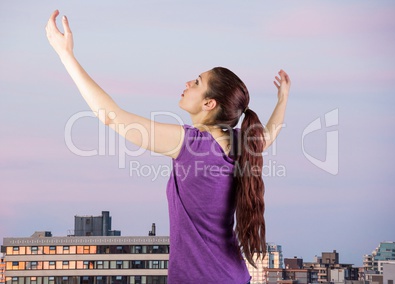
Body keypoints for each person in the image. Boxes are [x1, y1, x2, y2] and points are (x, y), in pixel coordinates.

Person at [46, 10, 291, 284]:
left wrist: (65, 55)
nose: (187, 83)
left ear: (210, 104)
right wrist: (283, 99)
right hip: (235, 276)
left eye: (197, 82)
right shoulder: (242, 144)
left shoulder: (192, 144)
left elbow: (110, 116)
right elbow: (270, 133)